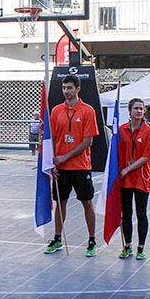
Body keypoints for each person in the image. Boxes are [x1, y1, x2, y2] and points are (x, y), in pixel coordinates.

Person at [46, 74, 100, 256]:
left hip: (80, 166)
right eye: (64, 88)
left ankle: (92, 240)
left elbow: (88, 141)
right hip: (61, 168)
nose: (66, 91)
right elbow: (52, 139)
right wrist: (52, 161)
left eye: (70, 88)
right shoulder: (56, 111)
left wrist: (65, 156)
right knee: (60, 203)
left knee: (87, 203)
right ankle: (57, 238)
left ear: (78, 89)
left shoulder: (87, 111)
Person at [118, 98, 150, 260]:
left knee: (141, 213)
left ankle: (141, 247)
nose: (139, 111)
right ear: (129, 110)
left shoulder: (149, 132)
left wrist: (130, 168)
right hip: (124, 179)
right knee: (126, 213)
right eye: (136, 108)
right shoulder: (121, 130)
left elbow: (148, 155)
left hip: (141, 178)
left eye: (141, 109)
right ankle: (127, 245)